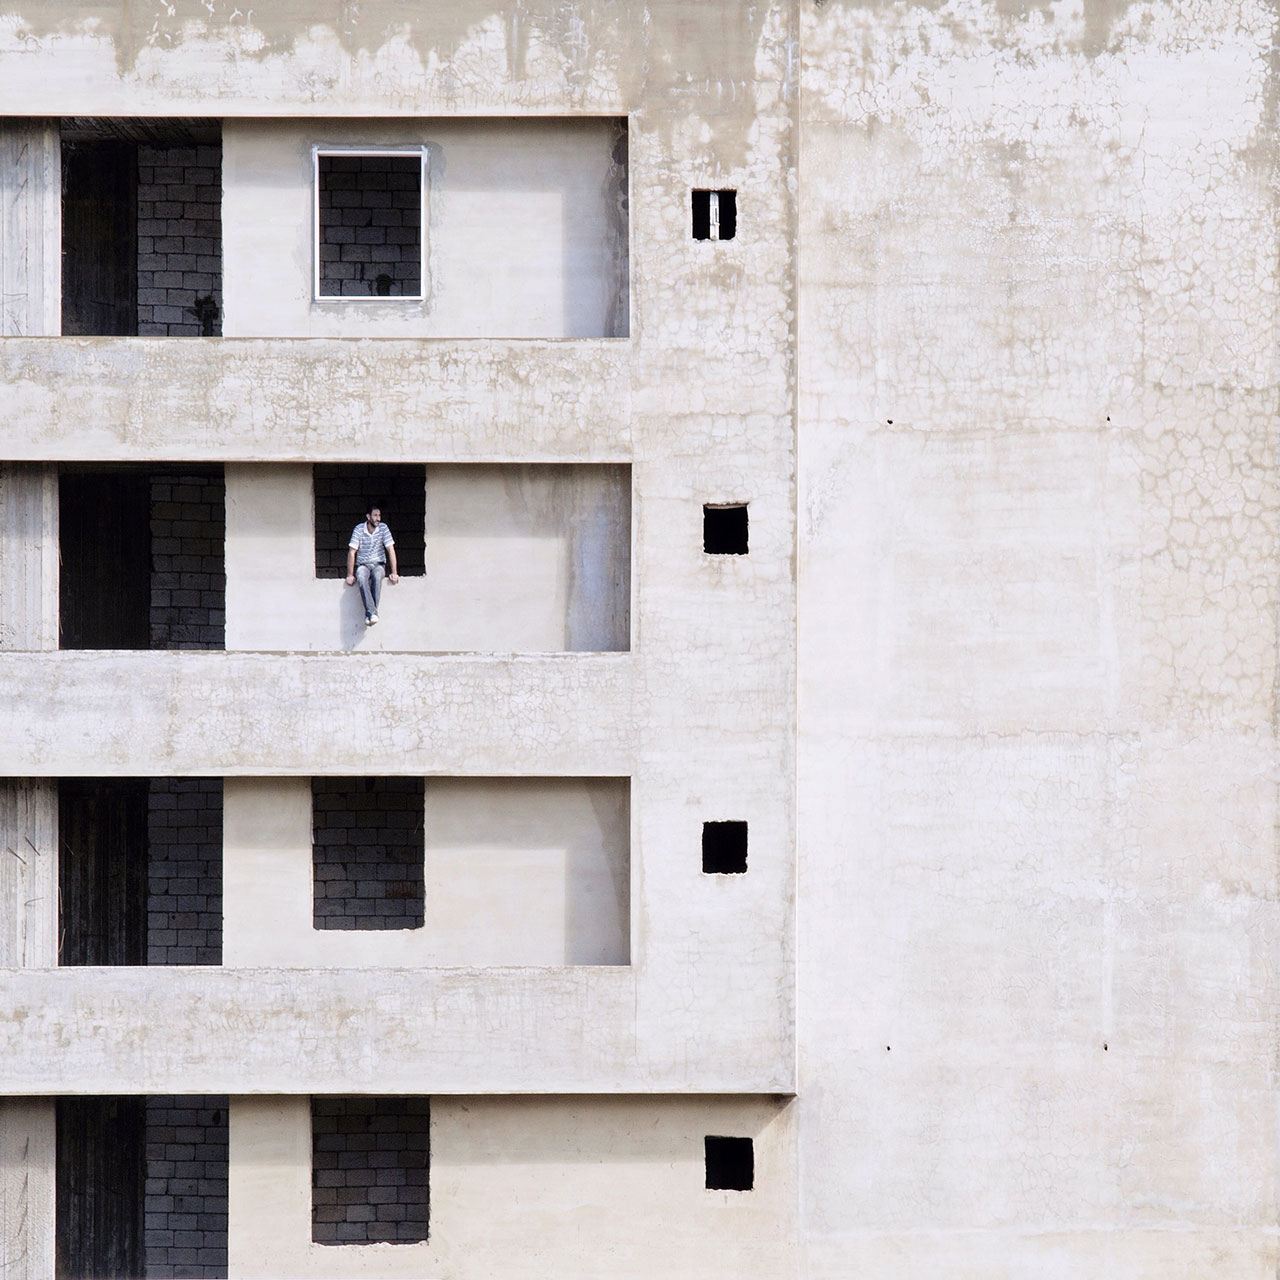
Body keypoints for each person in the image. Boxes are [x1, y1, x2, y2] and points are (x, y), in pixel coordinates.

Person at [345, 505, 399, 625]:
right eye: (375, 515)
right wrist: (350, 574)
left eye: (379, 515)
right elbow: (352, 552)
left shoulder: (383, 528)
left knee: (377, 575)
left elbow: (391, 550)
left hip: (378, 564)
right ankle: (372, 613)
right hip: (363, 565)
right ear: (368, 516)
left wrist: (394, 573)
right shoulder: (359, 529)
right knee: (361, 576)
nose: (378, 518)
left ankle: (370, 613)